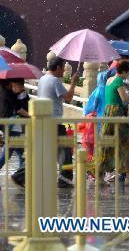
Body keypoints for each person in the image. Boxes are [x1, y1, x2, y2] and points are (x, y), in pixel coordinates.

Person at [37, 56, 79, 187]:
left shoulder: (42, 79)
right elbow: (68, 97)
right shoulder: (54, 81)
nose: (64, 72)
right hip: (54, 121)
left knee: (51, 151)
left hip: (44, 120)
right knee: (65, 151)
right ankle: (64, 179)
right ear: (58, 68)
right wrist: (73, 82)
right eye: (63, 69)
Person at [98, 60, 129, 183]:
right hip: (116, 114)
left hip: (107, 113)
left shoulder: (109, 80)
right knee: (128, 142)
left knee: (106, 144)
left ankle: (99, 176)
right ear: (124, 72)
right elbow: (124, 98)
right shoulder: (119, 80)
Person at [0, 79, 29, 190]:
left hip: (13, 127)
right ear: (13, 84)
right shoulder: (7, 92)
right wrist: (31, 117)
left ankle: (20, 178)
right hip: (10, 127)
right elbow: (19, 109)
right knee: (7, 155)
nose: (18, 89)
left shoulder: (10, 91)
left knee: (21, 154)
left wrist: (22, 94)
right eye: (17, 86)